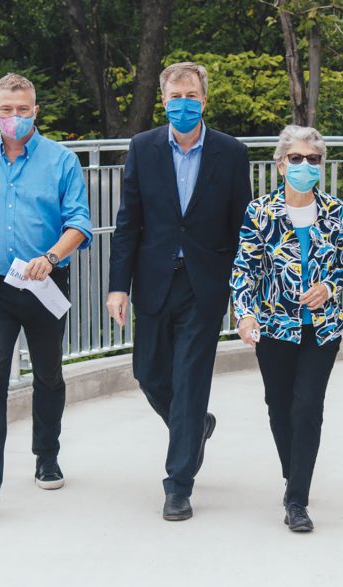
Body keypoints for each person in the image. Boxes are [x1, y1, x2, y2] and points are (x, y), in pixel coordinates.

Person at [105, 62, 252, 521]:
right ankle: (195, 428)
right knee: (149, 373)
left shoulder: (230, 152)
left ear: (203, 101)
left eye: (191, 96)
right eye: (175, 96)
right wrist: (117, 287)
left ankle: (178, 484)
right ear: (163, 100)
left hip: (205, 284)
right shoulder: (143, 147)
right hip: (154, 280)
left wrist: (240, 295)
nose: (182, 104)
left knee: (191, 381)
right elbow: (129, 222)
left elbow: (242, 227)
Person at [0, 73, 92, 517]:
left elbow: (79, 224)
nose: (14, 117)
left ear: (35, 111)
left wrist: (51, 256)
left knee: (48, 374)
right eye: (6, 109)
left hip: (45, 283)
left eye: (22, 109)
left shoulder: (61, 160)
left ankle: (46, 455)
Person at [232, 125, 343, 533]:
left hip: (322, 330)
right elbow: (244, 268)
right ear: (281, 163)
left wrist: (327, 286)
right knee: (279, 406)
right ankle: (293, 472)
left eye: (313, 159)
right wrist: (244, 313)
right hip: (274, 327)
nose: (305, 166)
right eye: (297, 158)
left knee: (307, 408)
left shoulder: (335, 210)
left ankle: (297, 499)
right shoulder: (260, 212)